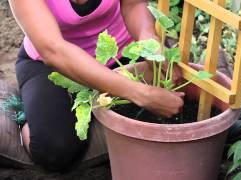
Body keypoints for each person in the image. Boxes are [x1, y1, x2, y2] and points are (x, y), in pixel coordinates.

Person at [9, 0, 184, 171]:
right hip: (53, 65)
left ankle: (93, 101)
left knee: (177, 85)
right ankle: (30, 113)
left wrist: (148, 41)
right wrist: (142, 94)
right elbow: (53, 50)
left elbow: (133, 5)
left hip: (118, 53)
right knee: (54, 149)